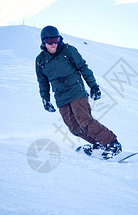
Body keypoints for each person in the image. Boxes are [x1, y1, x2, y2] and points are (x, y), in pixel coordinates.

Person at [35, 25, 122, 159]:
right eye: (50, 42)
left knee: (85, 121)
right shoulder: (40, 60)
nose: (53, 44)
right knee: (74, 128)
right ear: (43, 42)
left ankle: (112, 143)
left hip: (76, 91)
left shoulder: (67, 50)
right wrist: (45, 99)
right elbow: (43, 82)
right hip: (61, 96)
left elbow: (83, 67)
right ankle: (97, 143)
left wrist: (94, 86)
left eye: (56, 40)